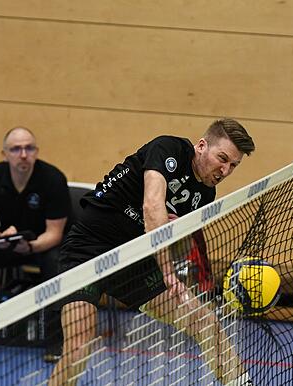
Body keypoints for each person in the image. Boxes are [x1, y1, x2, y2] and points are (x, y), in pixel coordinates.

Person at [49, 119, 256, 386]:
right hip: (90, 251)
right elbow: (151, 207)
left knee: (204, 321)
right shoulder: (168, 148)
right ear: (202, 146)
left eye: (233, 165)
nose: (225, 170)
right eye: (223, 158)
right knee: (79, 344)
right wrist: (168, 272)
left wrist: (176, 233)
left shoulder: (205, 193)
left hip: (136, 262)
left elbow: (178, 243)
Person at [0, 127, 70, 360]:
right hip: (8, 242)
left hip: (43, 245)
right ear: (4, 153)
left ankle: (55, 341)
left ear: (36, 152)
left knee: (56, 262)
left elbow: (55, 233)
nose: (23, 154)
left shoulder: (53, 179)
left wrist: (31, 246)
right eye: (16, 149)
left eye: (29, 148)